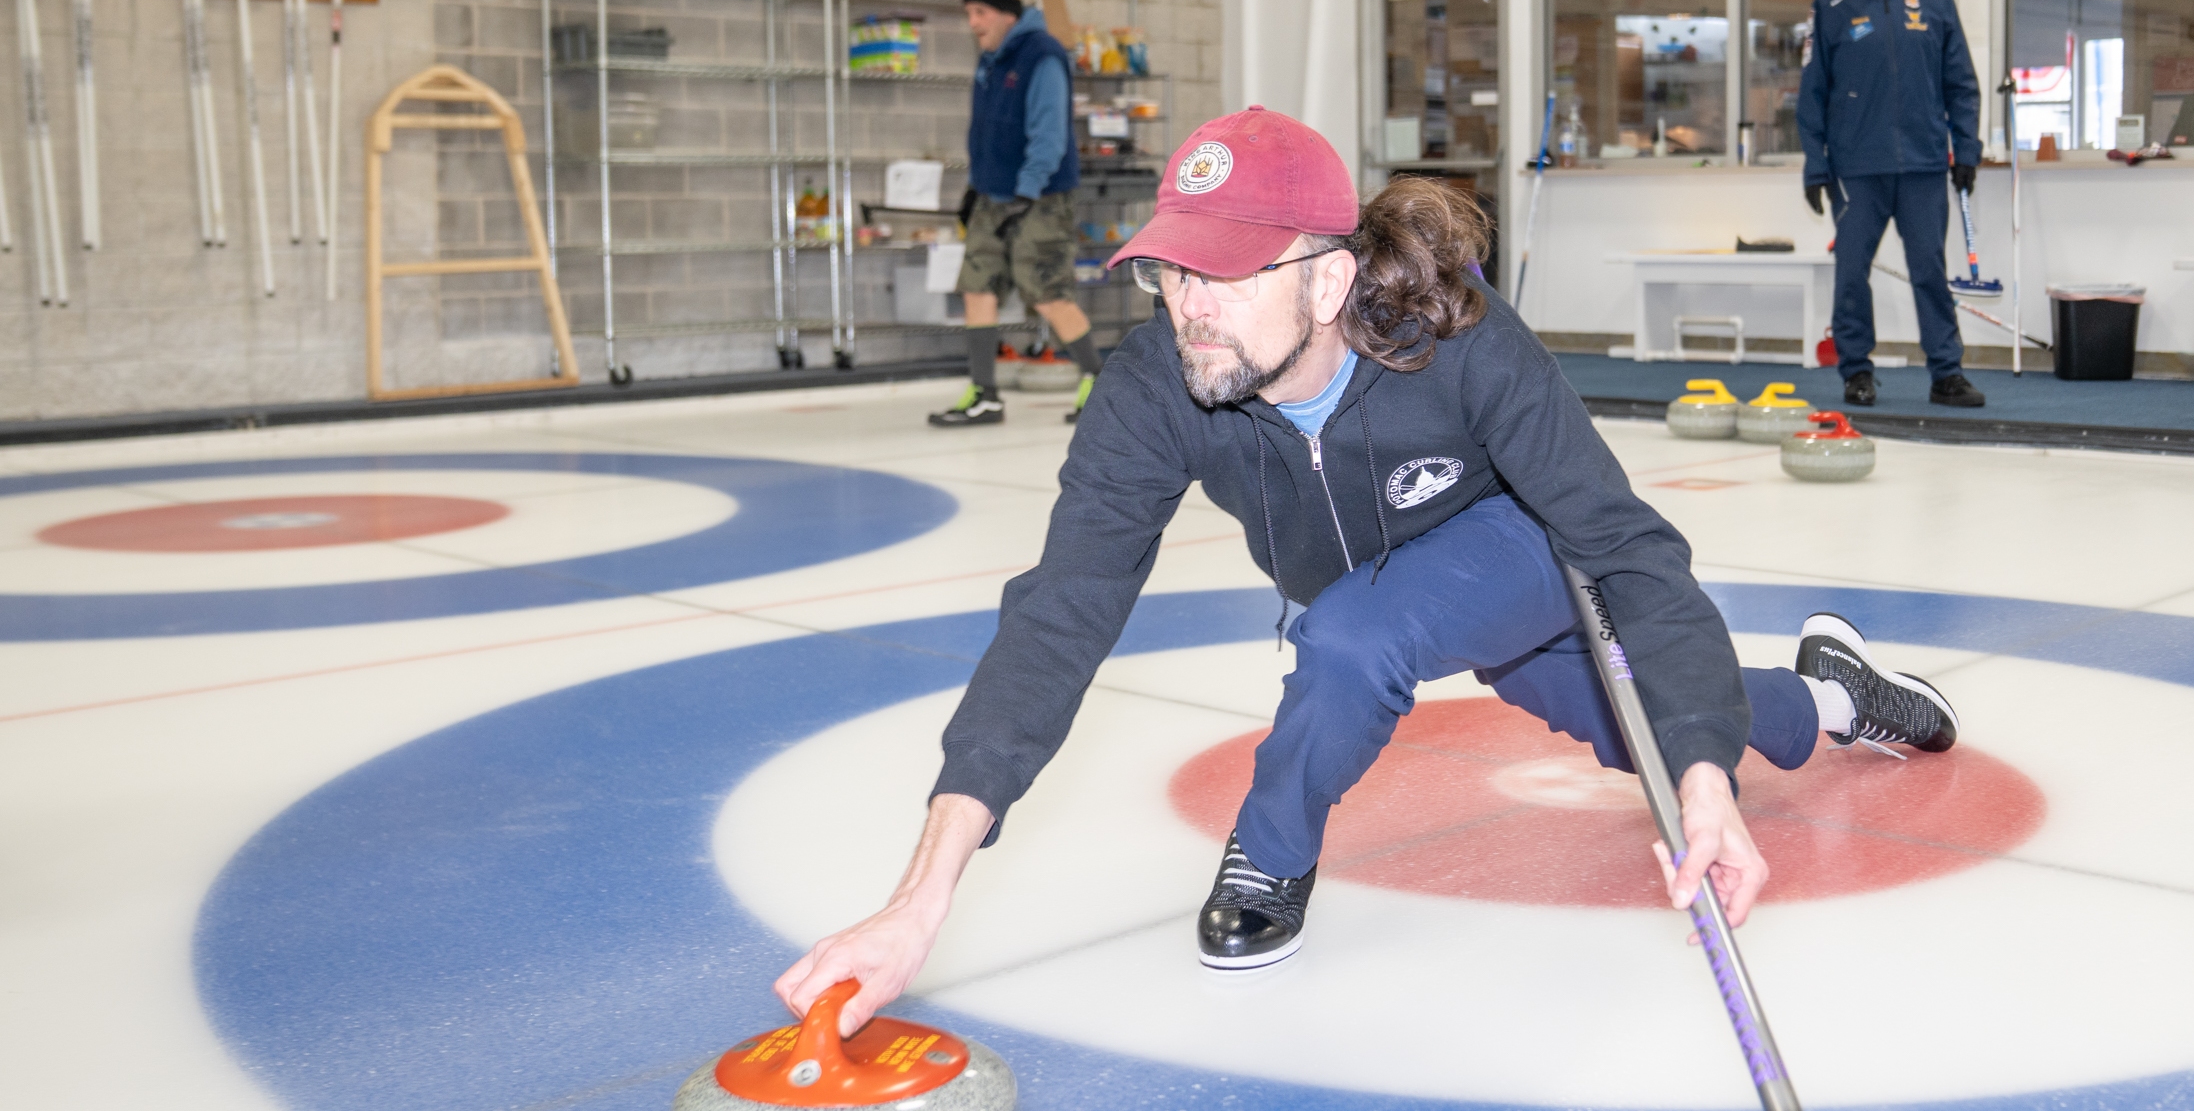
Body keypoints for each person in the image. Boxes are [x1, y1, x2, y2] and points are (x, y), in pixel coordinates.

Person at [780, 107, 1961, 1035]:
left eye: (1224, 276)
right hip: (1379, 580)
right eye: (1172, 274)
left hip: (1516, 541)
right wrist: (920, 895)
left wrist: (1702, 788)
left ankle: (1269, 852)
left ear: (1329, 279)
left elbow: (1624, 544)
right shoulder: (1161, 387)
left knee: (1352, 639)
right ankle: (1829, 693)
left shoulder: (1459, 339)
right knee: (1621, 722)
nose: (1189, 309)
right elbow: (1061, 614)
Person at [1796, 0, 1986, 411]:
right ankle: (1856, 371)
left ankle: (1946, 373)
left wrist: (1966, 149)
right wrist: (1816, 165)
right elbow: (1811, 92)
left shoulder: (1935, 1)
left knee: (1929, 270)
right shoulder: (1831, 5)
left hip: (1923, 165)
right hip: (1857, 169)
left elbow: (1962, 85)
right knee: (1851, 272)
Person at [930, 0, 1101, 428]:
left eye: (980, 13)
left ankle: (1100, 386)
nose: (974, 24)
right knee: (976, 287)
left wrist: (1026, 193)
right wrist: (976, 188)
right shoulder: (990, 60)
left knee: (1046, 292)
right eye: (969, 15)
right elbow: (987, 134)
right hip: (992, 196)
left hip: (1040, 197)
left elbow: (1049, 135)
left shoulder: (1042, 55)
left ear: (1006, 12)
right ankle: (985, 394)